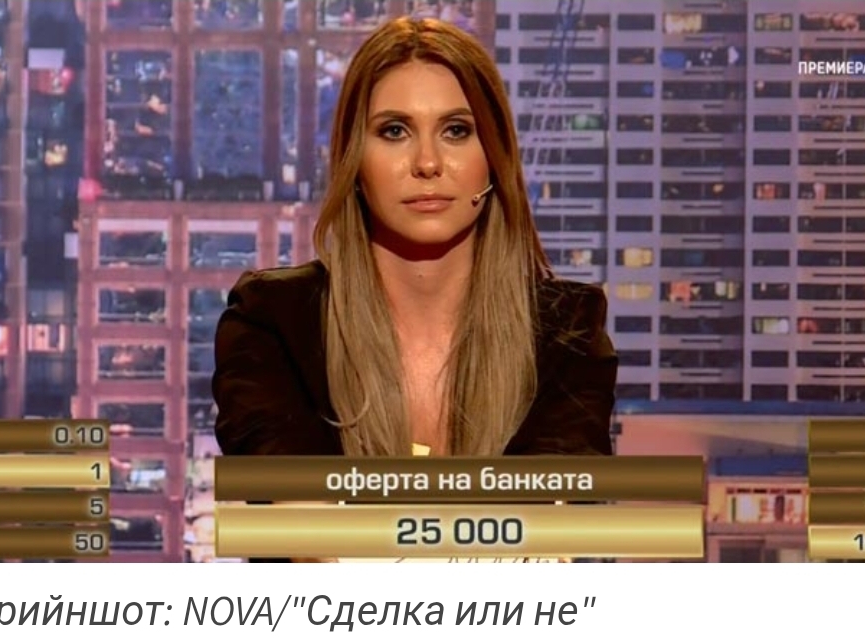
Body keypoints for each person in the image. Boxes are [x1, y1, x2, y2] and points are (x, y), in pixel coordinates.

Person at [211, 17, 617, 559]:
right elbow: (306, 533)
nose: (427, 163)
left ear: (493, 156)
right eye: (394, 131)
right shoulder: (271, 322)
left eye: (456, 131)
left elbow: (547, 536)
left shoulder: (568, 331)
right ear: (354, 160)